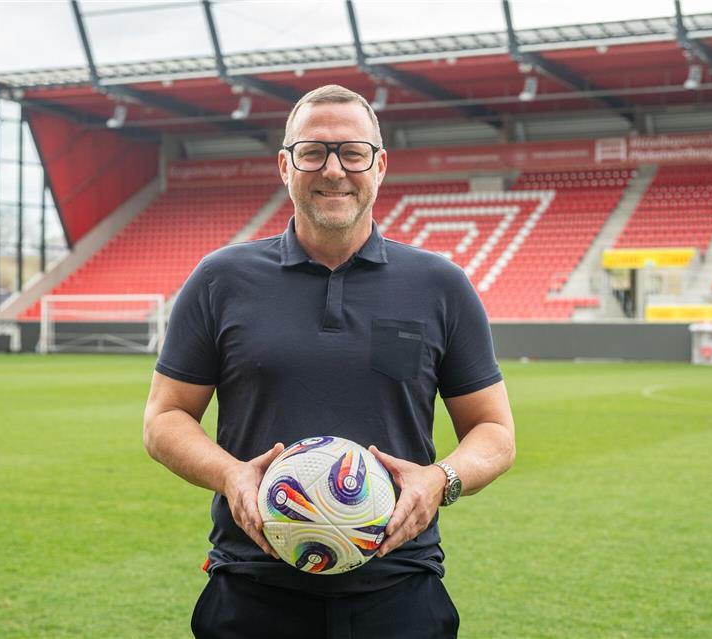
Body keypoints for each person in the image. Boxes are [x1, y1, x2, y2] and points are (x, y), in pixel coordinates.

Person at [144, 84, 515, 639]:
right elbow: (164, 419)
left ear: (380, 164)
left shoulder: (440, 285)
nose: (334, 170)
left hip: (399, 587)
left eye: (352, 152)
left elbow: (495, 431)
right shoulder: (220, 278)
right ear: (285, 165)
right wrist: (232, 475)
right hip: (251, 587)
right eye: (313, 152)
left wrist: (442, 479)